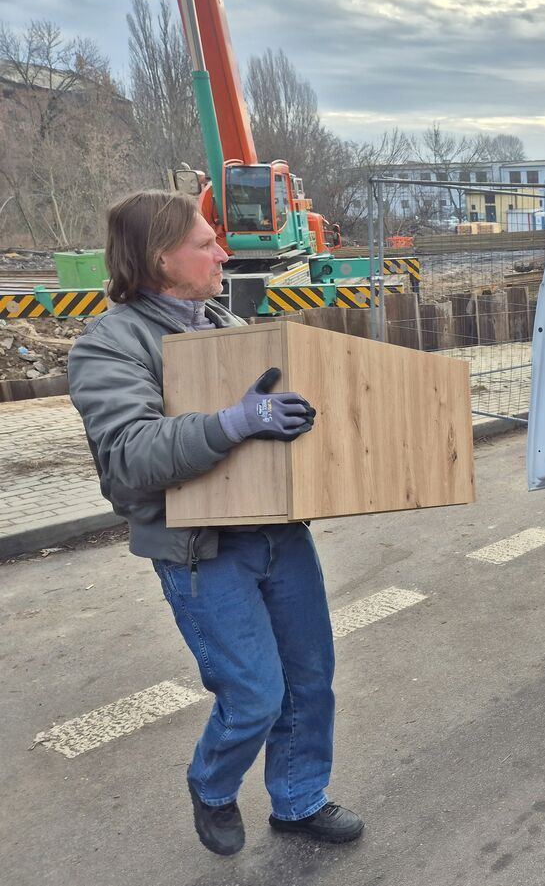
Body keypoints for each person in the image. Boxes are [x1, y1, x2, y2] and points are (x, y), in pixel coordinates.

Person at [67, 190, 363, 856]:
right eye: (206, 243)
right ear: (161, 257)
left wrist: (296, 429)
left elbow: (262, 431)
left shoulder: (225, 323)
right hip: (203, 550)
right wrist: (233, 423)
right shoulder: (108, 345)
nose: (223, 252)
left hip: (279, 534)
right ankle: (212, 781)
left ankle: (298, 798)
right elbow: (128, 457)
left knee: (309, 678)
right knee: (256, 694)